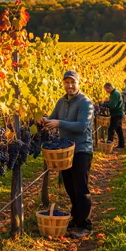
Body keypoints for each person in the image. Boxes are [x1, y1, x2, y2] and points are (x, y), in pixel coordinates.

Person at [42, 70, 95, 238]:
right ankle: (77, 218)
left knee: (81, 188)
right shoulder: (61, 102)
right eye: (67, 82)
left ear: (79, 83)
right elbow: (52, 118)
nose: (70, 85)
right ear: (63, 84)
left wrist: (59, 123)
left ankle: (85, 225)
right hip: (64, 152)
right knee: (70, 187)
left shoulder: (85, 102)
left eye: (73, 82)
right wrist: (44, 120)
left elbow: (82, 126)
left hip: (81, 150)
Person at [103, 82, 125, 149]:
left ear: (109, 88)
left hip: (116, 114)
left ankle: (109, 144)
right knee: (118, 129)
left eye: (106, 90)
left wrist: (104, 104)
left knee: (111, 129)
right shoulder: (114, 93)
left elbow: (112, 105)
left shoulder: (115, 94)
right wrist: (107, 102)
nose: (106, 92)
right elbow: (112, 103)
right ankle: (121, 144)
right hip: (118, 113)